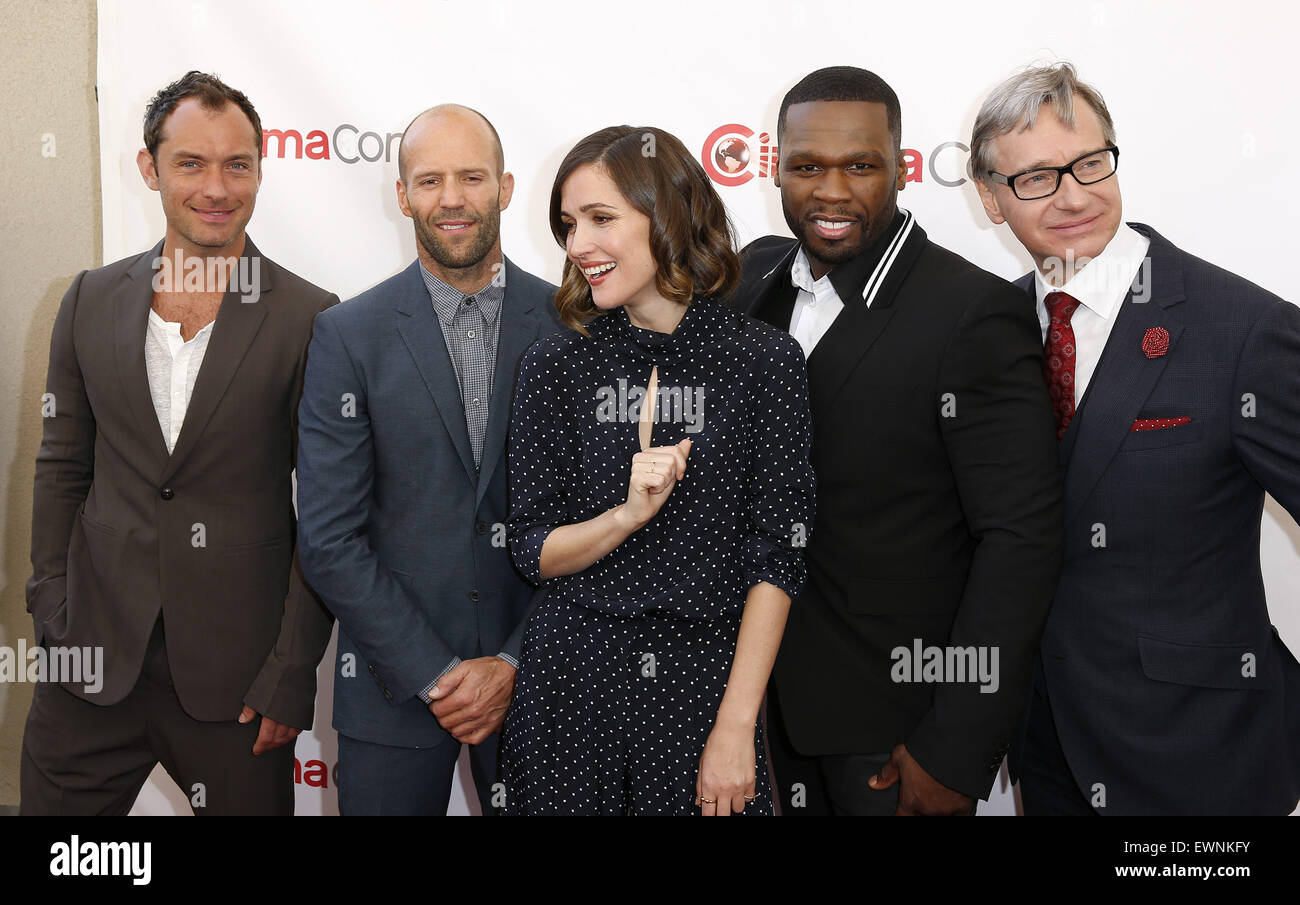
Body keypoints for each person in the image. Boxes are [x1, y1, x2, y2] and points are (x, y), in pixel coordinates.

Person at [970, 62, 1300, 815]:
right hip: (1045, 749)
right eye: (1037, 178)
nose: (1075, 195)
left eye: (1090, 162)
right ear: (990, 199)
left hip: (1202, 756)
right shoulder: (988, 332)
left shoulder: (1242, 328)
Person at [735, 66, 1064, 816]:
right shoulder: (756, 280)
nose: (831, 191)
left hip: (894, 737)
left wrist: (958, 744)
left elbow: (1022, 539)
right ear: (775, 165)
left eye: (861, 165)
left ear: (904, 168)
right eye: (807, 166)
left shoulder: (970, 313)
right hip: (757, 717)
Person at [21, 71, 337, 815]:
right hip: (90, 663)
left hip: (240, 685)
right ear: (150, 168)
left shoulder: (311, 317)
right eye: (191, 163)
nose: (217, 187)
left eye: (238, 164)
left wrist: (291, 674)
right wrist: (51, 609)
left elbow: (326, 514)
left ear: (262, 168)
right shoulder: (89, 298)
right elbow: (60, 467)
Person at [500, 125, 814, 816]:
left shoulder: (764, 362)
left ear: (668, 214)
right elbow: (532, 550)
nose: (578, 243)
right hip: (567, 691)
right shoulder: (555, 365)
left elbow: (778, 557)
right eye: (568, 223)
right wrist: (626, 515)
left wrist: (736, 726)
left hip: (703, 690)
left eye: (601, 218)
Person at [295, 105, 563, 815]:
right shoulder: (347, 335)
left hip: (542, 682)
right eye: (430, 180)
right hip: (392, 686)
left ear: (505, 188)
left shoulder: (574, 322)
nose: (452, 198)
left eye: (471, 177)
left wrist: (511, 660)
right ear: (403, 194)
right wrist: (439, 674)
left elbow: (596, 520)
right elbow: (329, 539)